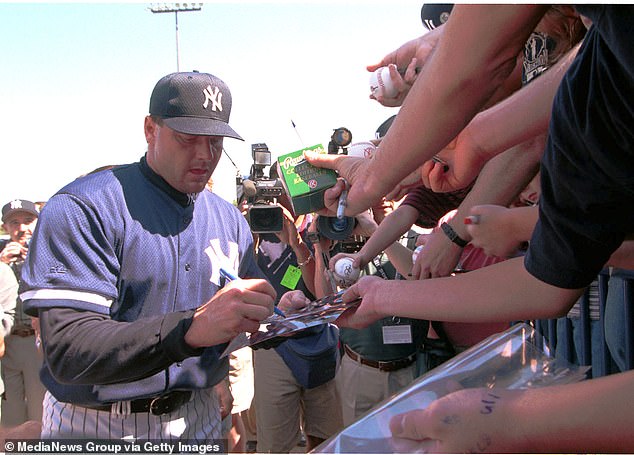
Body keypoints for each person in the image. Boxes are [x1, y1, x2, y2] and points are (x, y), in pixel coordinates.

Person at [306, 5, 634, 452]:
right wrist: (383, 294)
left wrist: (517, 424)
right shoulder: (594, 74)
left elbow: (478, 66)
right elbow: (544, 282)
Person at [20, 71, 282, 441]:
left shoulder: (227, 218)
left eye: (215, 142)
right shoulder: (86, 205)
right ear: (150, 129)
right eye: (187, 138)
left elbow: (245, 313)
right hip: (99, 422)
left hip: (199, 412)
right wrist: (189, 329)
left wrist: (297, 312)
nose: (204, 155)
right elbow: (68, 350)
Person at [250, 192, 342, 453]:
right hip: (273, 346)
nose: (278, 205)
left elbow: (320, 294)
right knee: (275, 444)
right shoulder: (256, 227)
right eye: (272, 197)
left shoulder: (319, 223)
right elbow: (243, 280)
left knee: (325, 436)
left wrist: (297, 243)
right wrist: (251, 237)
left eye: (284, 196)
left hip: (318, 343)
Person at [0, 199, 45, 427]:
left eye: (28, 221)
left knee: (39, 412)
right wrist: (1, 263)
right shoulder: (1, 253)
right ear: (5, 227)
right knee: (10, 415)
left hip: (37, 342)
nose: (22, 229)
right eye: (14, 223)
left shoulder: (49, 250)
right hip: (7, 344)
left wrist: (33, 262)